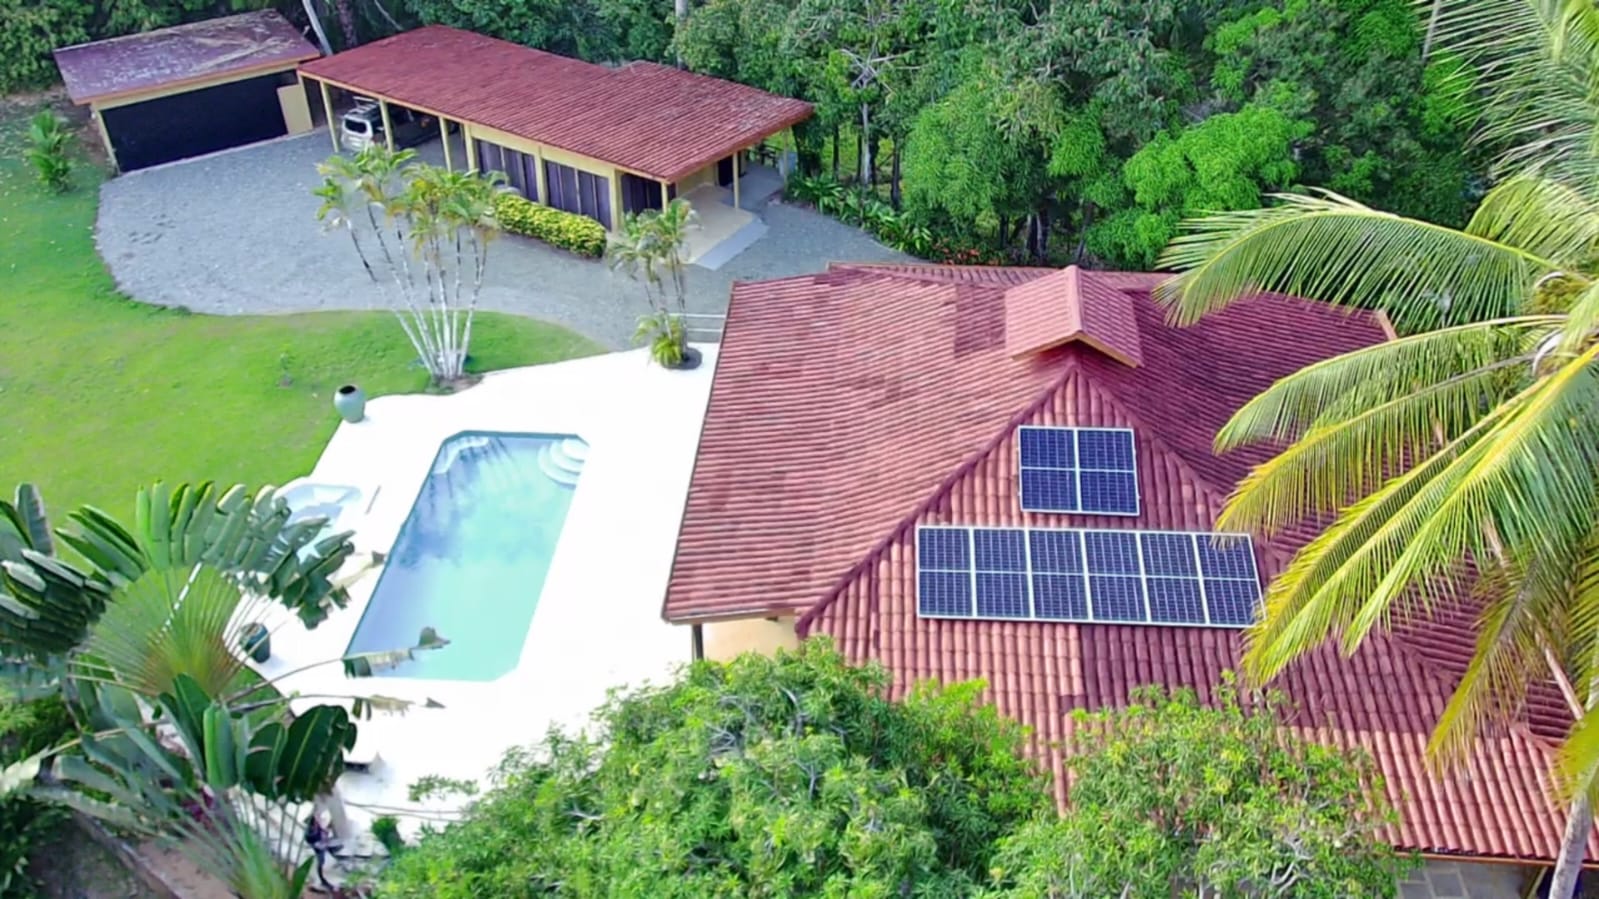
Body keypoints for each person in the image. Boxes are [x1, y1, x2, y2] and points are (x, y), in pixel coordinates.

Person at [304, 813, 340, 890]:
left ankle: (321, 883)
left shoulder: (317, 829)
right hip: (318, 848)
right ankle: (319, 883)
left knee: (321, 865)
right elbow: (312, 839)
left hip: (321, 848)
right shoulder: (312, 831)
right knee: (320, 865)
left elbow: (323, 836)